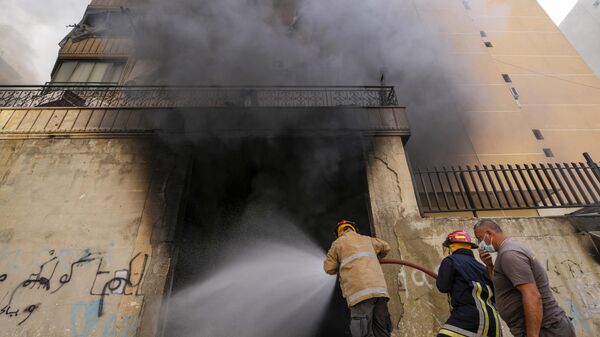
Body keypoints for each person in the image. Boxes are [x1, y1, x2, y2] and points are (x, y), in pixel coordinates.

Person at [473, 219, 576, 337]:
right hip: (541, 328)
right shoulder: (507, 252)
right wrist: (489, 265)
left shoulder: (510, 254)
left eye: (479, 238)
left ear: (489, 233)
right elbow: (502, 287)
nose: (479, 243)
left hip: (545, 329)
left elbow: (532, 295)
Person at [323, 219, 393, 337]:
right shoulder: (367, 239)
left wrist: (340, 264)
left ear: (338, 233)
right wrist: (376, 258)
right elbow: (386, 247)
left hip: (360, 295)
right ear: (353, 228)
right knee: (382, 331)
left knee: (362, 332)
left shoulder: (338, 244)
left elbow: (328, 268)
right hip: (380, 292)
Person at [436, 229, 502, 337]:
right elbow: (497, 294)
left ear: (452, 246)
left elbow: (443, 287)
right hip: (493, 322)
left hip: (468, 318)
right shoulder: (482, 267)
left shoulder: (450, 261)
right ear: (469, 247)